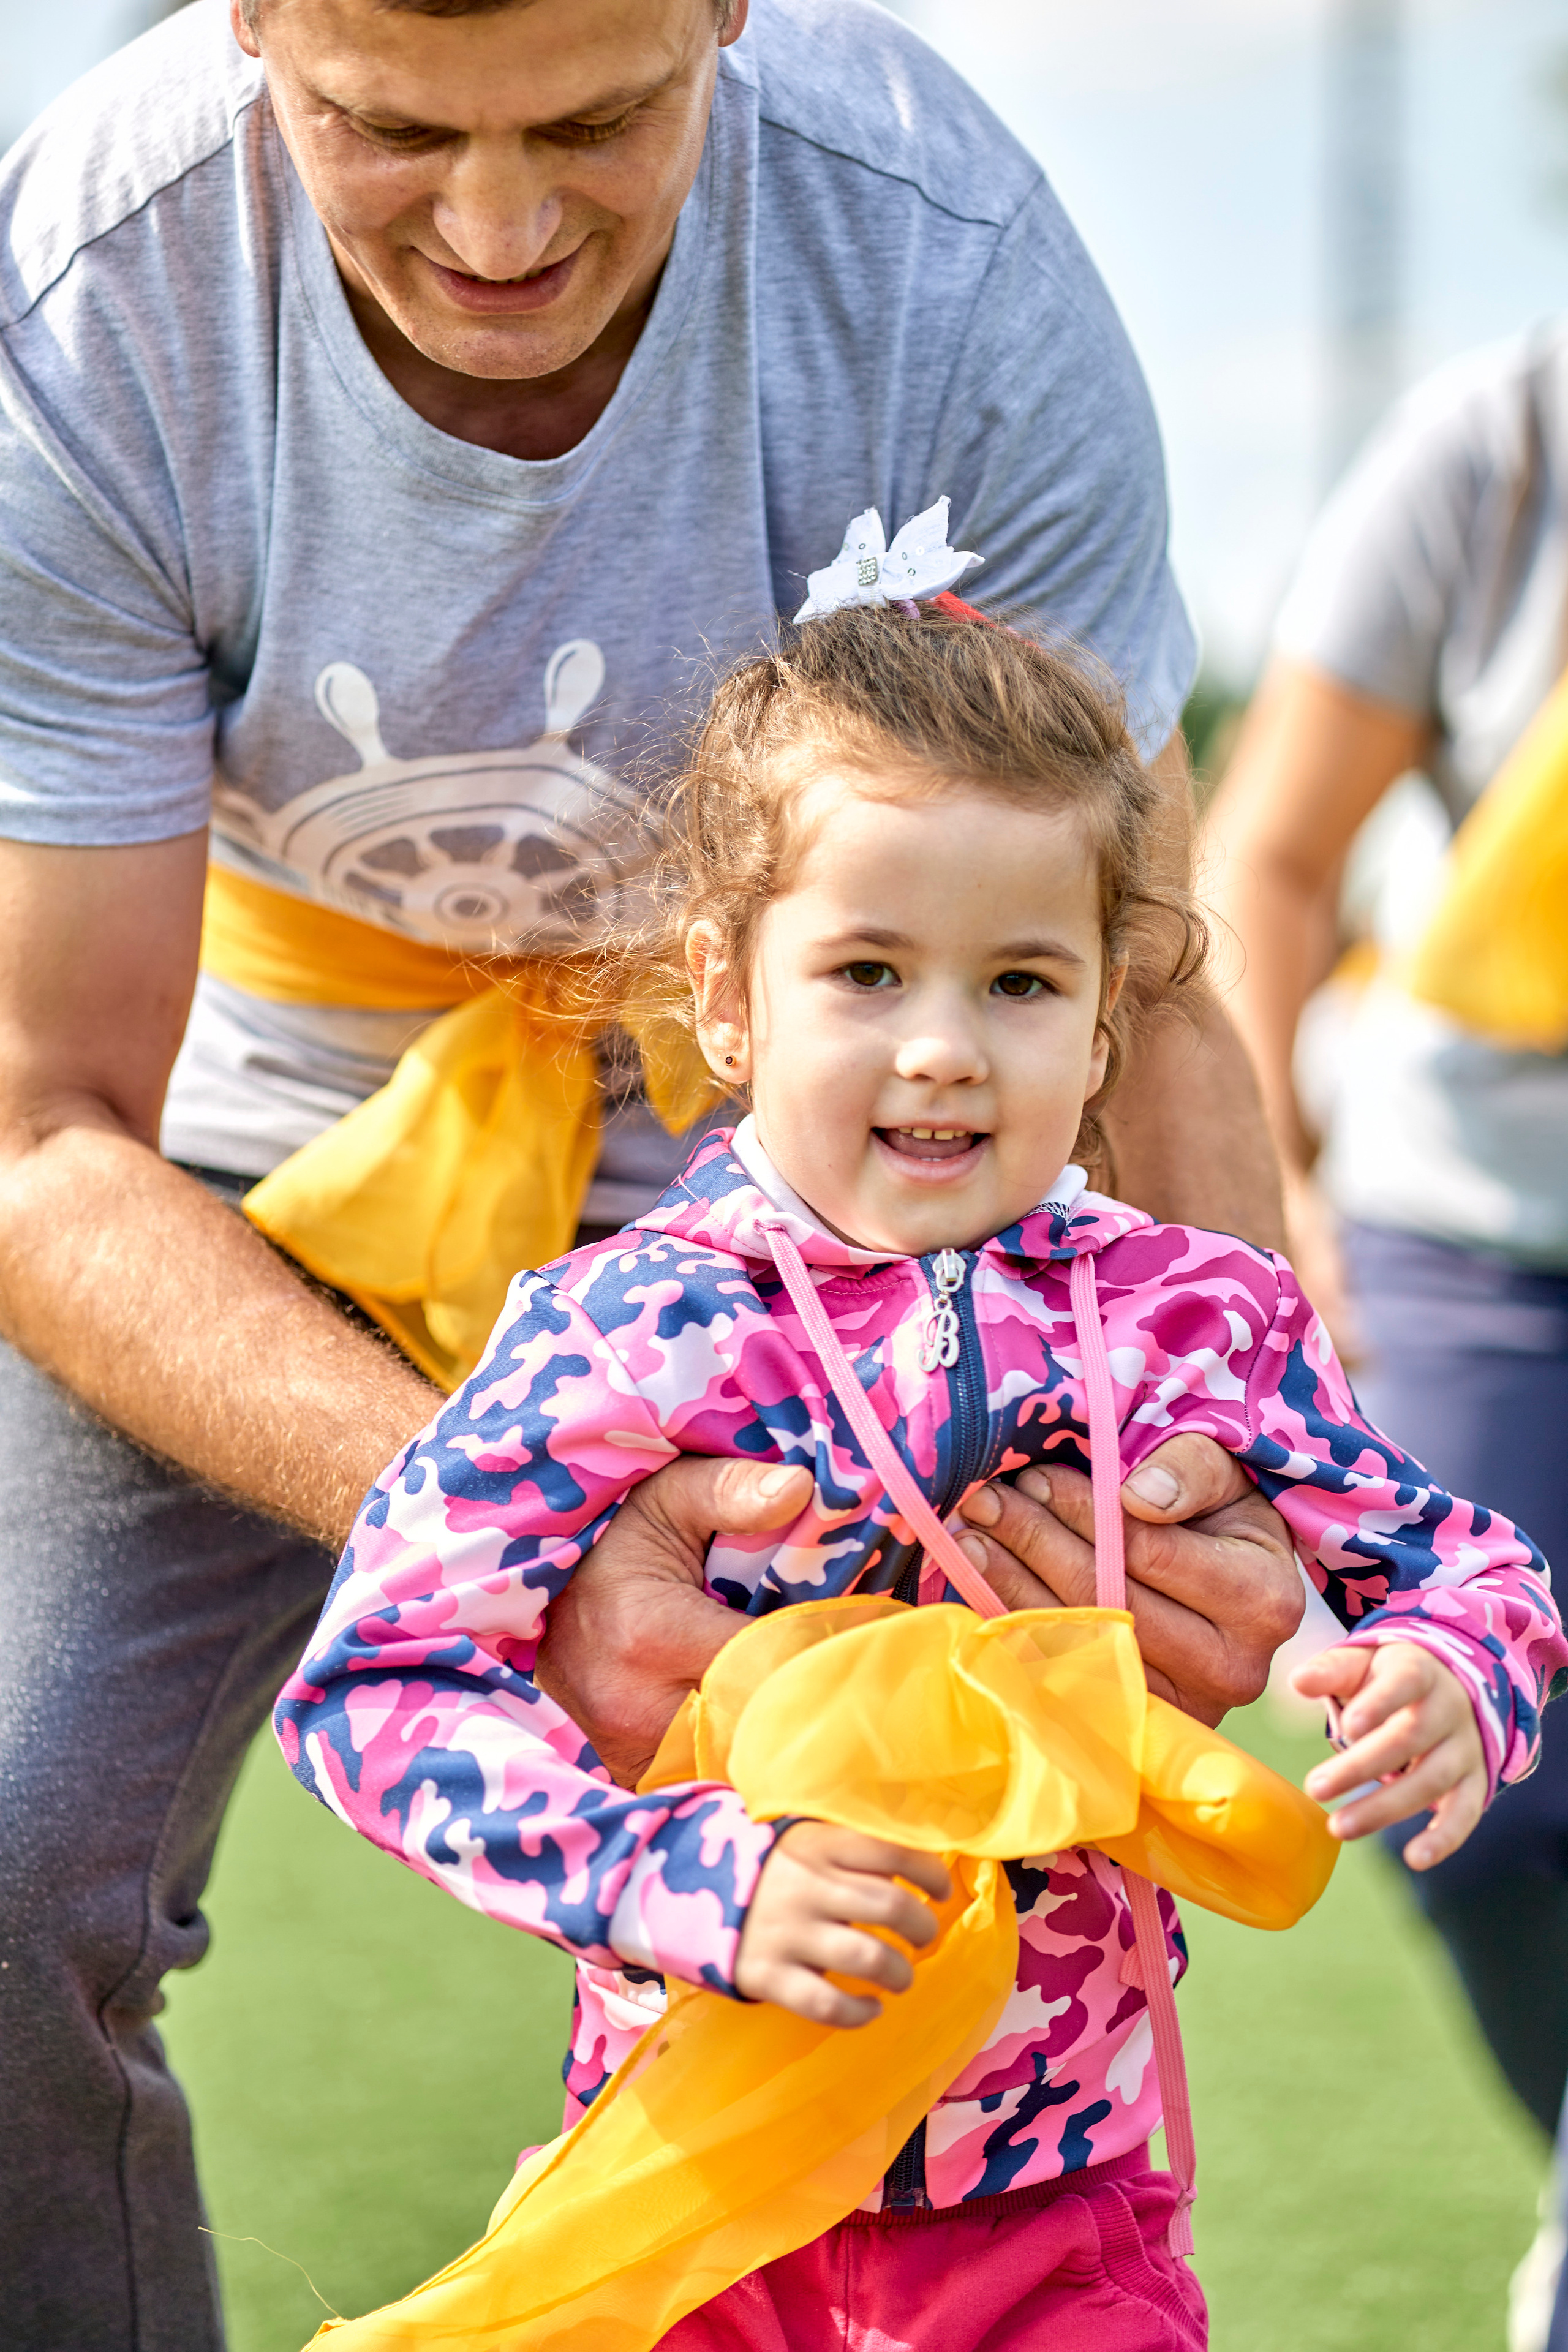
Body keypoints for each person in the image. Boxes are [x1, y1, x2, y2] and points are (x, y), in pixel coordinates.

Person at [0, 2, 1301, 2342]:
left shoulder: (944, 270)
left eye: (596, 121)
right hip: (248, 1176)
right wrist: (520, 1522)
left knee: (941, 1944)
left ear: (725, 6)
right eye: (386, 132)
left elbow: (1148, 969)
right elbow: (41, 1122)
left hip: (829, 1184)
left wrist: (1221, 1496)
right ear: (250, 27)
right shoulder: (96, 301)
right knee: (3, 1855)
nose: (498, 234)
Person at [281, 590, 1564, 2351]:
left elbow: (1468, 1565)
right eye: (868, 972)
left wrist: (1448, 1675)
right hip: (706, 2187)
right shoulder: (628, 1329)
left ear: (1107, 1027)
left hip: (1066, 2210)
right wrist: (684, 1880)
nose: (946, 1044)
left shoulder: (1194, 1315)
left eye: (1022, 982)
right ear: (729, 998)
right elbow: (371, 1686)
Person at [1204, 325, 1568, 2345]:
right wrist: (1283, 1201)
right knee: (1474, 1776)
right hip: (1469, 1228)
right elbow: (1268, 852)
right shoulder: (1505, 441)